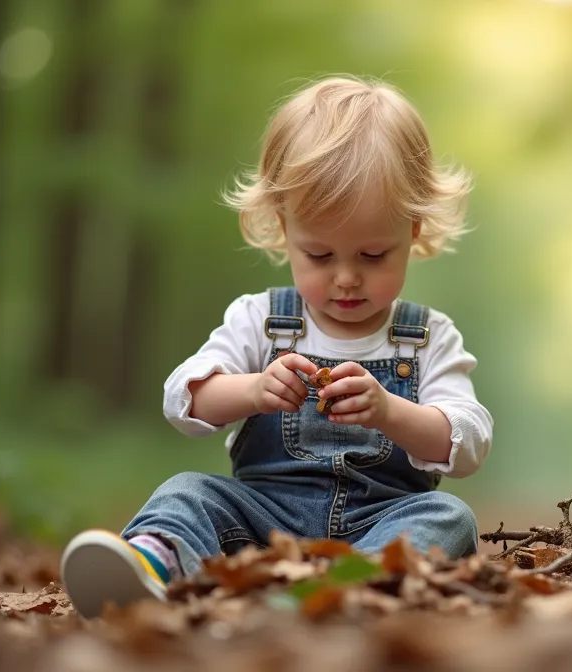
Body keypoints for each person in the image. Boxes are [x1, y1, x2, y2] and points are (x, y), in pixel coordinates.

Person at [58, 75, 494, 618]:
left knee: (449, 515)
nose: (346, 279)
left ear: (414, 229)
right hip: (259, 522)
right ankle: (152, 563)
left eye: (373, 255)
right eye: (318, 254)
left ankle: (349, 587)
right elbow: (182, 400)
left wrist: (390, 411)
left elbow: (469, 441)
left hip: (379, 522)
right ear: (282, 228)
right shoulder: (261, 319)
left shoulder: (427, 336)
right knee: (189, 490)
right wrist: (253, 389)